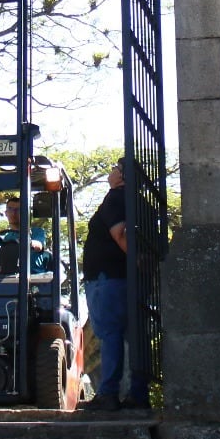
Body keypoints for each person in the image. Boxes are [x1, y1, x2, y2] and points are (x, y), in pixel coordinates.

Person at [78, 161, 148, 411]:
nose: (112, 171)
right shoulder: (141, 203)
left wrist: (136, 259)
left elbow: (120, 234)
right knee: (134, 335)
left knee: (110, 333)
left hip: (107, 278)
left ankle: (108, 393)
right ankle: (138, 393)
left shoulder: (116, 198)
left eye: (116, 167)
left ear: (122, 176)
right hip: (125, 278)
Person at [0, 195, 52, 276]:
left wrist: (29, 242)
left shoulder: (36, 231)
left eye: (18, 209)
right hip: (9, 277)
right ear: (6, 213)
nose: (14, 213)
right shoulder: (4, 237)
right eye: (10, 209)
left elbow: (39, 245)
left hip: (34, 277)